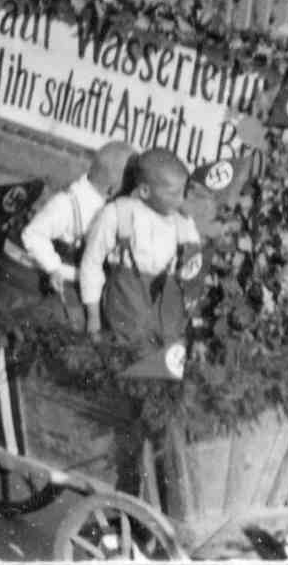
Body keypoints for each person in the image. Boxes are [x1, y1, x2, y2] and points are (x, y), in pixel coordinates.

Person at [81, 149, 206, 507]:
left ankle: (167, 493)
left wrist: (193, 327)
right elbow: (92, 265)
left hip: (167, 325)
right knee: (139, 407)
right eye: (173, 193)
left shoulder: (183, 226)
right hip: (128, 322)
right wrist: (92, 318)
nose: (181, 200)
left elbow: (191, 281)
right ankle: (133, 492)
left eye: (184, 191)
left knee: (169, 405)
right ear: (146, 191)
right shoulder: (118, 216)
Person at [13, 140, 136, 301]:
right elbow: (33, 234)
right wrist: (53, 267)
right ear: (113, 188)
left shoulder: (105, 206)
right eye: (129, 187)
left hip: (79, 286)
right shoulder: (68, 204)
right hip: (49, 286)